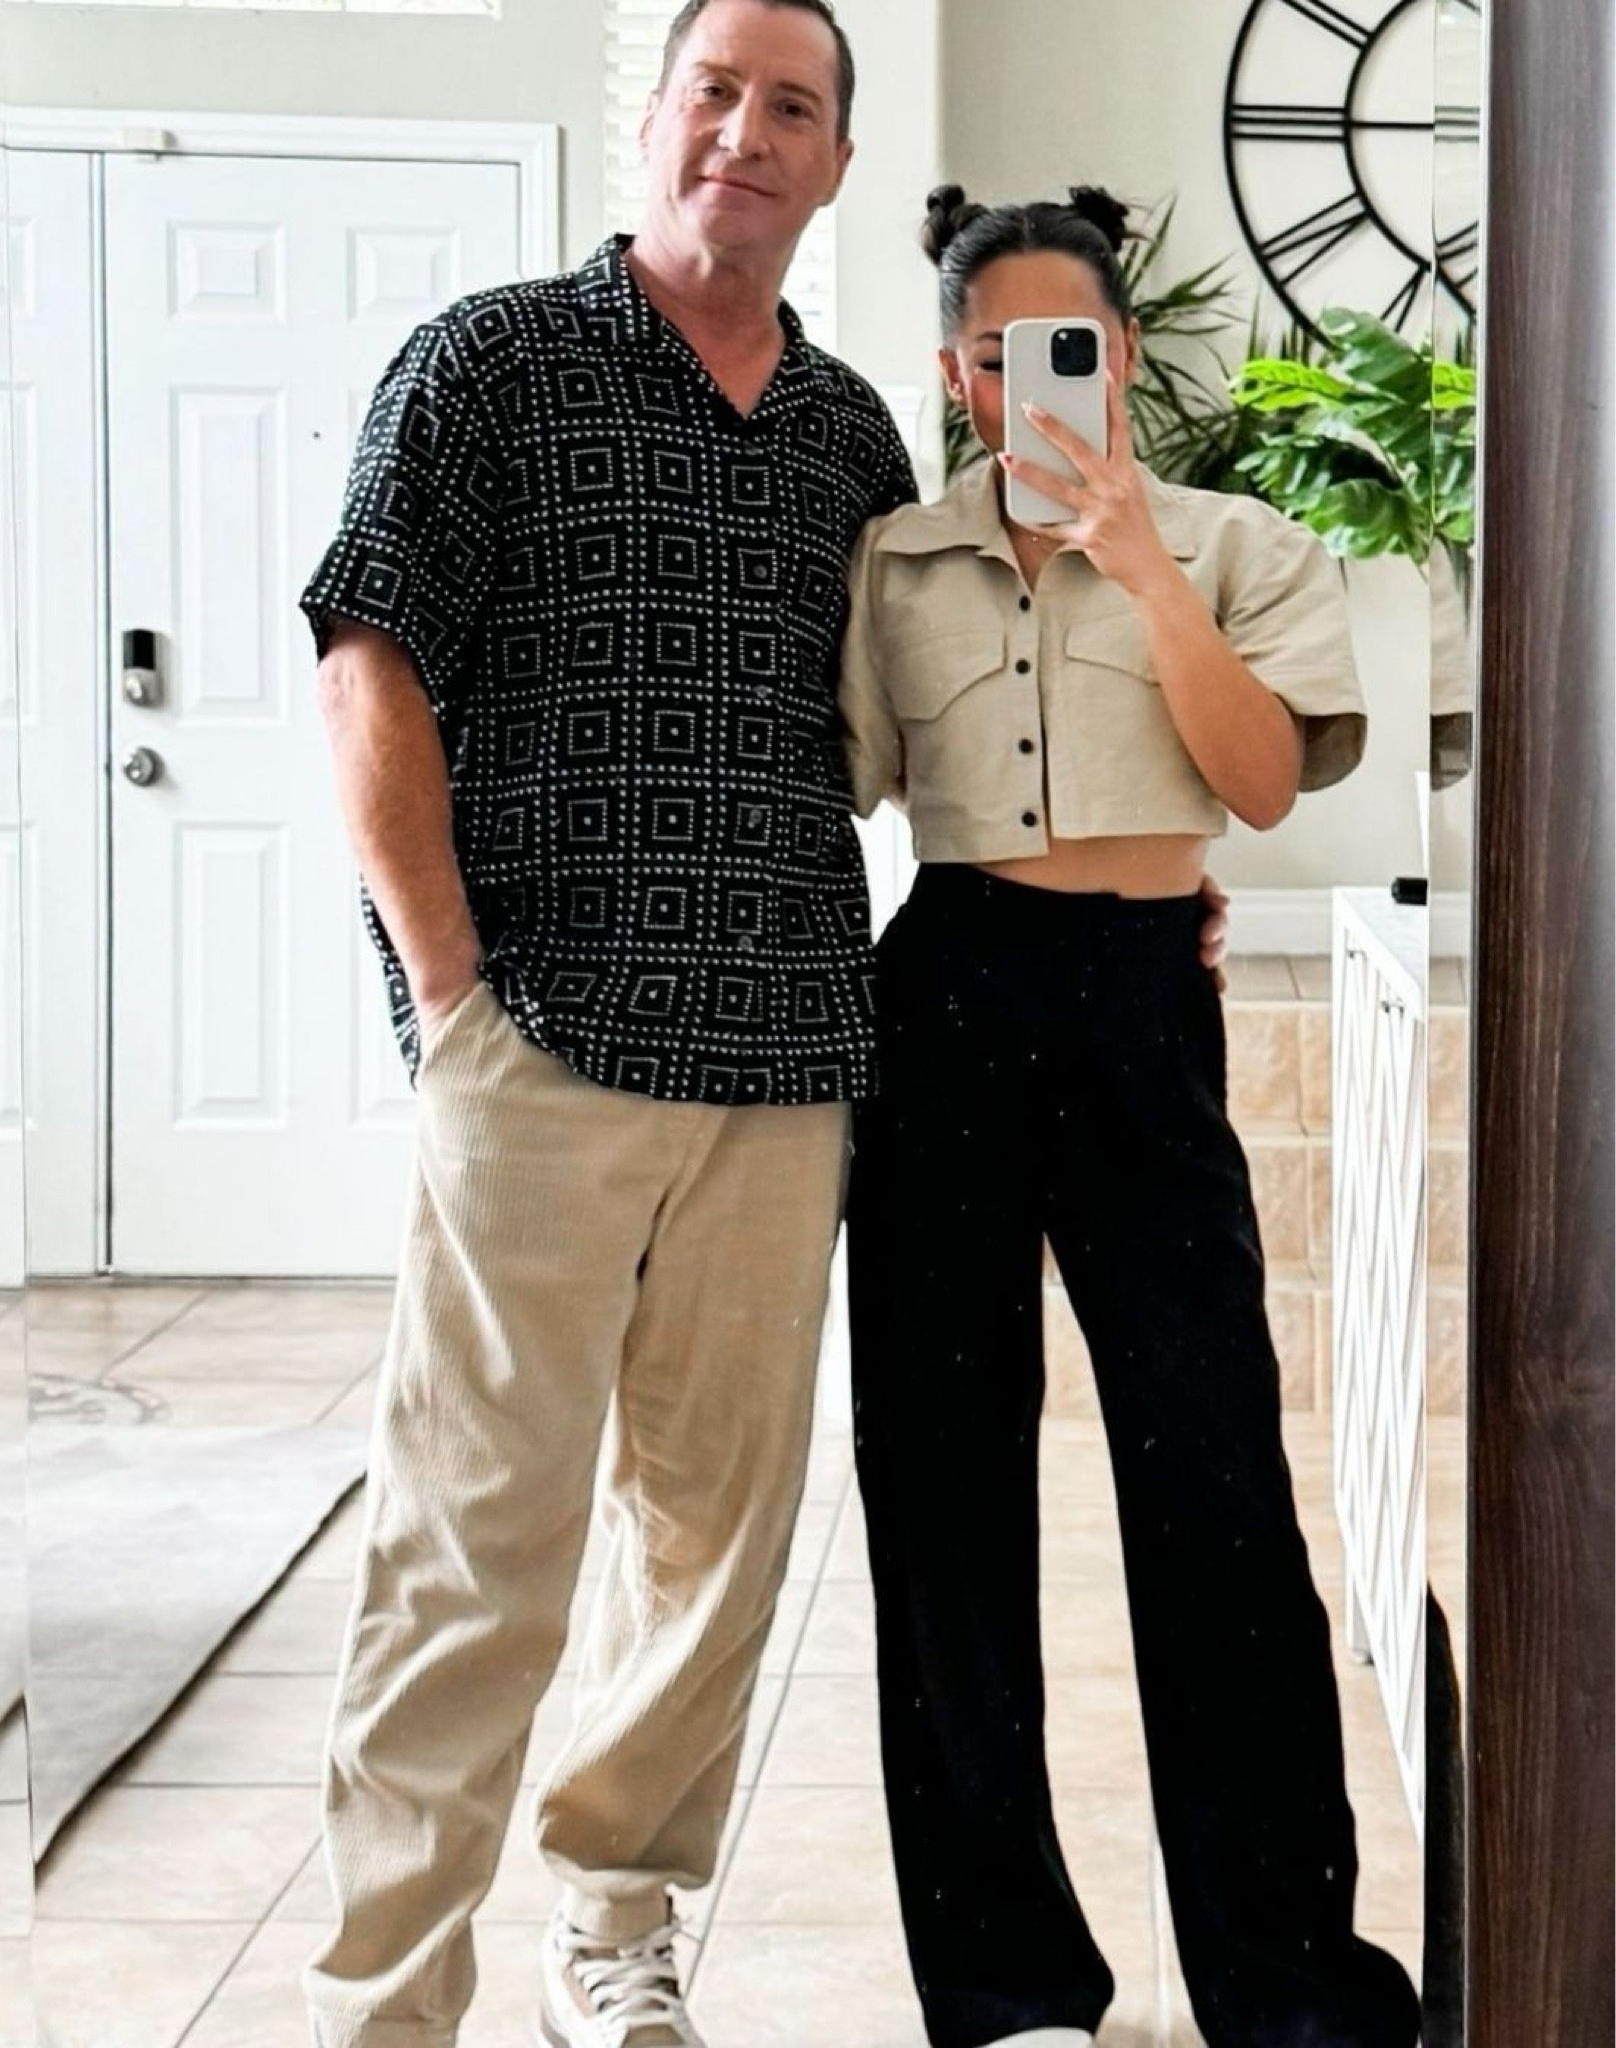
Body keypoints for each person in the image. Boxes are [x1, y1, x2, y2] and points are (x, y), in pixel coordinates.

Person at [299, 6, 912, 2044]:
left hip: (784, 1062)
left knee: (717, 1544)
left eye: (793, 106)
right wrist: (450, 993)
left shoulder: (852, 439)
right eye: (714, 91)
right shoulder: (489, 364)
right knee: (473, 1541)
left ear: (833, 166)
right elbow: (367, 659)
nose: (747, 130)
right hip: (540, 1046)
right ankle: (385, 1994)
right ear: (647, 122)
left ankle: (613, 1925)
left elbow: (928, 728)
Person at [839, 185, 1424, 2048]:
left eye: (1066, 348)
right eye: (993, 357)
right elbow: (837, 790)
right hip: (944, 993)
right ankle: (1004, 1985)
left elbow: (1257, 787)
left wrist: (1140, 564)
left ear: (1128, 353)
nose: (1029, 382)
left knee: (1217, 1484)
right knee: (943, 1495)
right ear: (953, 373)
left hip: (1142, 1001)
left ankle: (1289, 1979)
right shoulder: (891, 564)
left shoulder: (1242, 548)